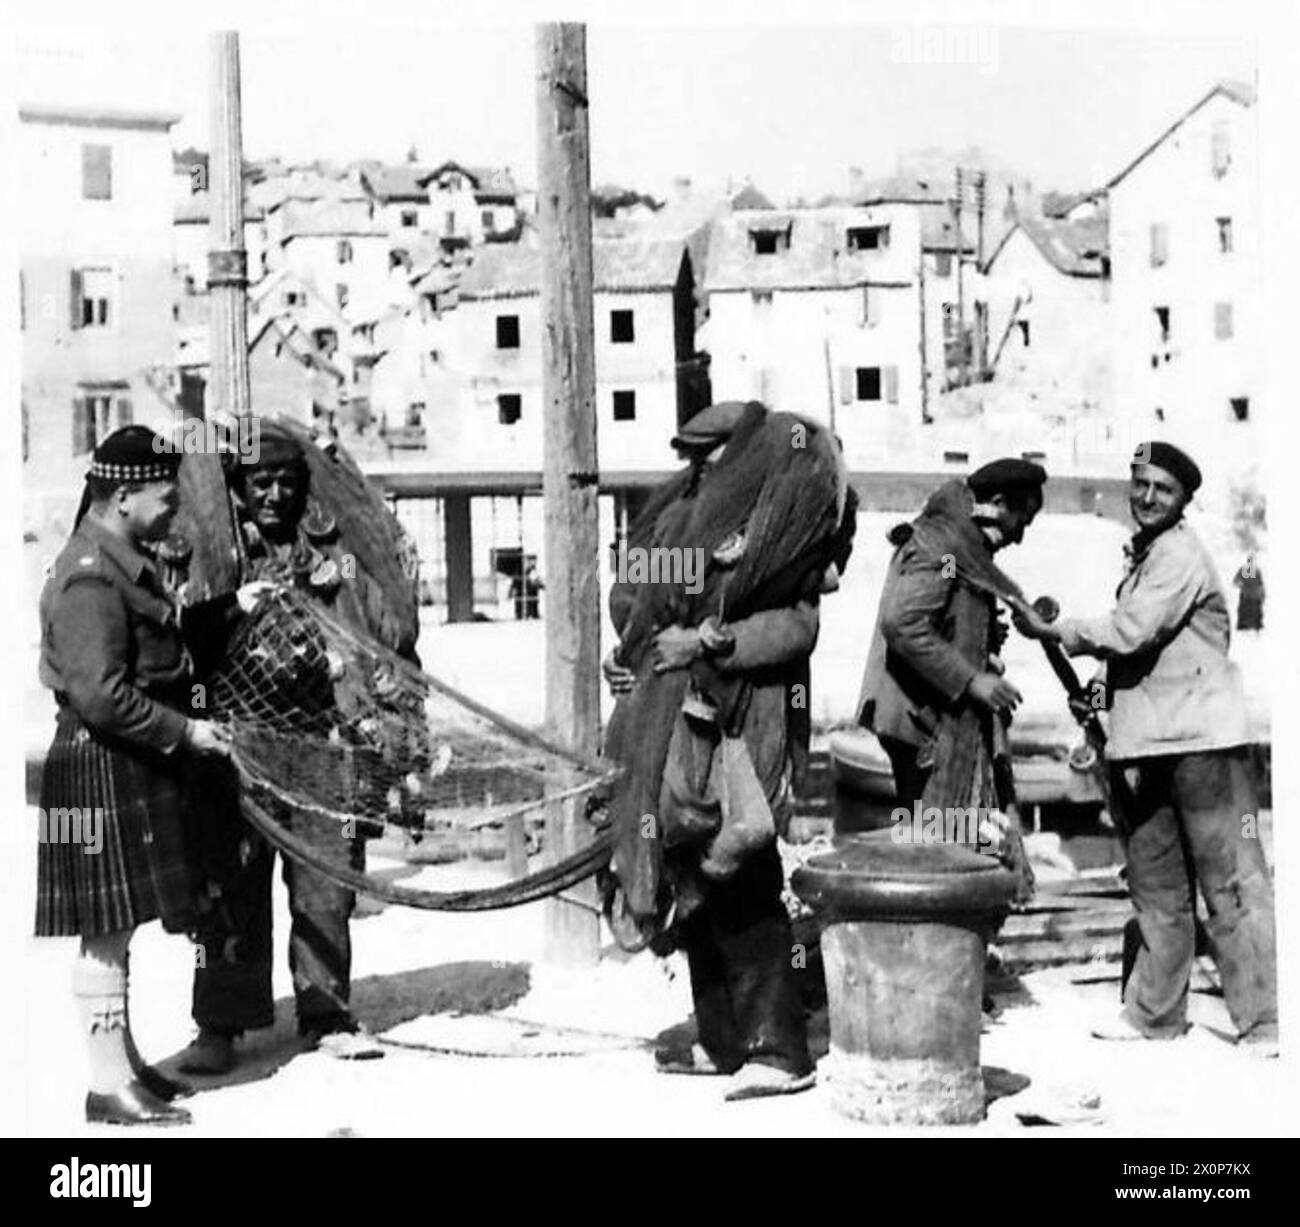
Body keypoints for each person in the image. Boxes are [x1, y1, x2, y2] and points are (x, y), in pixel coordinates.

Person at [601, 400, 855, 1100]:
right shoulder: (681, 520)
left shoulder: (779, 534)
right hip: (672, 721)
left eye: (712, 457)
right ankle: (720, 1038)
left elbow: (796, 629)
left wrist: (711, 641)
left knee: (739, 868)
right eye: (693, 457)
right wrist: (627, 658)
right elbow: (635, 600)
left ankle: (779, 1047)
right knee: (691, 880)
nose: (700, 469)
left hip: (743, 725)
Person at [1014, 442, 1276, 1051]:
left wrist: (1058, 629)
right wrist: (1098, 703)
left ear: (1184, 498)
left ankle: (1267, 1020)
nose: (1147, 496)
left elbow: (1131, 634)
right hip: (1146, 747)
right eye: (1139, 484)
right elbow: (1139, 661)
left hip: (1203, 747)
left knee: (1233, 884)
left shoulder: (1179, 554)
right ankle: (1154, 1016)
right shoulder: (1147, 558)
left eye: (1161, 487)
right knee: (1156, 886)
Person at [181, 422, 402, 1072]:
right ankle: (219, 1024)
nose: (273, 494)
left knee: (325, 888)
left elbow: (366, 641)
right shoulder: (218, 555)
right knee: (231, 889)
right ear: (239, 488)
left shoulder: (325, 554)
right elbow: (185, 636)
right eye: (259, 482)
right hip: (235, 746)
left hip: (317, 745)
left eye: (285, 481)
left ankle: (326, 1012)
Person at [36, 426, 231, 1125]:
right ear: (123, 496)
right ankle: (106, 1084)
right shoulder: (92, 575)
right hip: (98, 761)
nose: (175, 507)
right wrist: (187, 731)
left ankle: (127, 1064)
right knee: (104, 930)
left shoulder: (120, 557)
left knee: (120, 925)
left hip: (118, 759)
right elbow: (99, 694)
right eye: (164, 494)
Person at [855, 460, 1045, 863]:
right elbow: (903, 622)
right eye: (1021, 520)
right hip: (922, 724)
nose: (1021, 536)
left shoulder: (961, 546)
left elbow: (942, 617)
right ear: (995, 504)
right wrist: (972, 679)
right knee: (935, 845)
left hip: (931, 717)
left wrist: (982, 638)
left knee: (933, 836)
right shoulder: (939, 545)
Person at [1233, 555, 1264, 631]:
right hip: (1253, 597)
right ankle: (1254, 627)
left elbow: (1235, 582)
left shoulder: (1244, 569)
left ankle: (1248, 627)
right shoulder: (1257, 570)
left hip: (1247, 596)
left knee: (1246, 613)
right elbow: (1260, 585)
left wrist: (1241, 585)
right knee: (1254, 614)